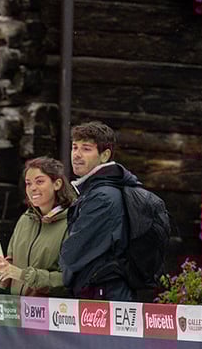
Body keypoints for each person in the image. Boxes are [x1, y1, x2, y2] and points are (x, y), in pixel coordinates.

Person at [59, 121, 144, 300]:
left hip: (103, 295)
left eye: (86, 149)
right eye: (75, 147)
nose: (77, 155)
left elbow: (73, 253)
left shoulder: (103, 197)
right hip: (102, 292)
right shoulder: (97, 191)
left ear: (104, 155)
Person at [0, 157, 73, 296]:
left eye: (39, 181)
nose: (32, 188)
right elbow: (9, 274)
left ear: (57, 184)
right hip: (17, 310)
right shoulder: (25, 220)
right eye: (28, 183)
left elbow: (67, 279)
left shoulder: (72, 222)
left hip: (54, 312)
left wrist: (22, 275)